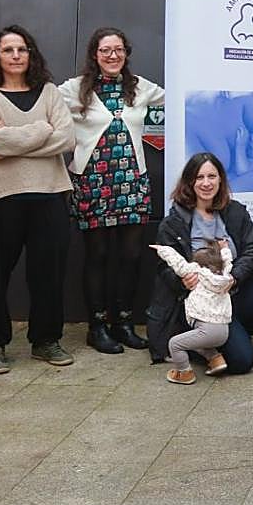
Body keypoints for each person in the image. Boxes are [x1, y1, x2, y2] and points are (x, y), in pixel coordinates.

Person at [151, 153, 253, 374]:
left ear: (220, 180)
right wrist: (182, 281)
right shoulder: (173, 222)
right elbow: (164, 267)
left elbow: (252, 250)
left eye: (212, 176)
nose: (206, 183)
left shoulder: (235, 211)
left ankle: (238, 330)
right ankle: (201, 343)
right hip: (204, 304)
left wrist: (235, 276)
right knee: (242, 362)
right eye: (199, 177)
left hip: (237, 288)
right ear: (189, 181)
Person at [58, 27, 163, 355]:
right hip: (92, 185)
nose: (113, 56)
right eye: (105, 50)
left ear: (126, 53)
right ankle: (98, 326)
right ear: (94, 55)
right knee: (98, 256)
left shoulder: (140, 87)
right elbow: (41, 101)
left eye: (118, 49)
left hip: (133, 184)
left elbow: (182, 96)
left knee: (131, 256)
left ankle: (124, 323)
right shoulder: (75, 89)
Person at [0, 25, 76, 372]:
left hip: (50, 193)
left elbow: (67, 139)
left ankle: (45, 340)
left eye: (21, 49)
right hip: (0, 197)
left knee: (49, 273)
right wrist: (42, 130)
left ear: (31, 54)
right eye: (8, 50)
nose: (15, 56)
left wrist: (12, 142)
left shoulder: (50, 92)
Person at [150, 240, 233, 384]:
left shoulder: (197, 272)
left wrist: (163, 249)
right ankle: (216, 360)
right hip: (223, 332)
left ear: (197, 264)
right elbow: (227, 261)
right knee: (195, 343)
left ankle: (184, 373)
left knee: (175, 344)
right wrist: (225, 248)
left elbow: (178, 263)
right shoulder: (225, 277)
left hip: (207, 330)